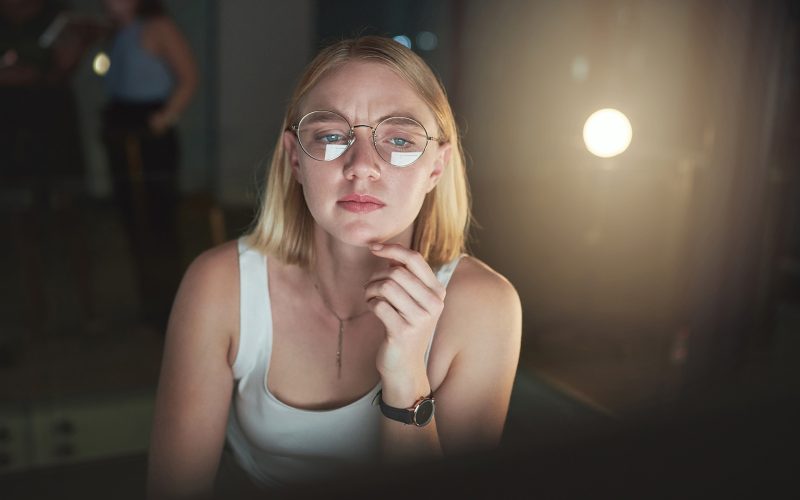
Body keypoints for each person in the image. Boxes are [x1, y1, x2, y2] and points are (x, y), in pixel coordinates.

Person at [146, 36, 522, 499]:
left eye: (400, 139)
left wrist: (405, 373)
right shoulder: (220, 285)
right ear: (295, 159)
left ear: (437, 168)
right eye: (330, 136)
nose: (361, 166)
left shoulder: (484, 307)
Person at [100, 0, 197, 332]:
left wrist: (164, 118)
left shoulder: (158, 27)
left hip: (149, 129)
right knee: (132, 214)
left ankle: (172, 303)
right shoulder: (117, 33)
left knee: (158, 213)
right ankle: (149, 300)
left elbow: (188, 77)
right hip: (120, 123)